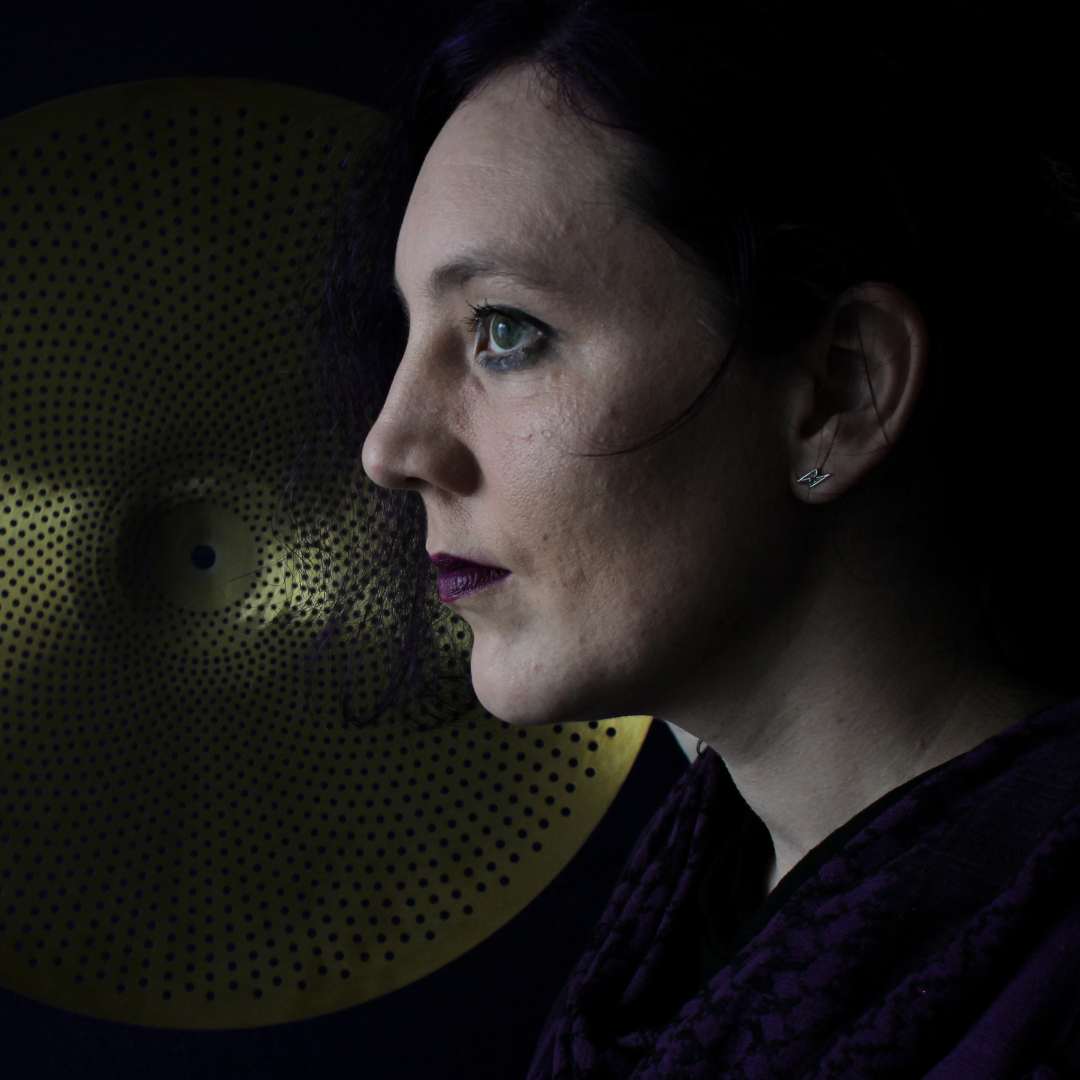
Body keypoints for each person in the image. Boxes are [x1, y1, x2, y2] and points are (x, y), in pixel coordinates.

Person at [294, 0, 1080, 1074]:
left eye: (505, 333)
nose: (390, 447)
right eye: (411, 336)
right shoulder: (694, 906)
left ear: (839, 389)